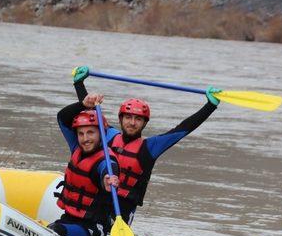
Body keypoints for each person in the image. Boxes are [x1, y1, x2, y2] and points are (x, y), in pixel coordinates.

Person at [67, 66, 221, 223]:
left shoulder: (150, 147)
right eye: (128, 117)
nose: (132, 123)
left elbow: (183, 129)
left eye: (138, 119)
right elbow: (91, 113)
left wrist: (210, 106)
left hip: (123, 208)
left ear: (144, 123)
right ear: (121, 119)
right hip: (98, 198)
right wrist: (79, 83)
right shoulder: (108, 135)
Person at [50, 100, 120, 236]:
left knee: (56, 231)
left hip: (93, 231)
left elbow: (107, 171)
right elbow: (62, 117)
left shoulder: (106, 160)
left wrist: (108, 179)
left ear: (101, 134)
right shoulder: (76, 147)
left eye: (90, 132)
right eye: (81, 133)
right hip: (68, 219)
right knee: (50, 230)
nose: (85, 138)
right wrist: (83, 103)